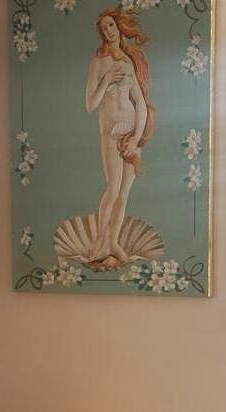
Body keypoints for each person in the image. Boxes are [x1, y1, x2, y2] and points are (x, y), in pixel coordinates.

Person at [84, 8, 156, 269]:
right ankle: (99, 242)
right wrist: (106, 81)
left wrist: (137, 138)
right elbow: (90, 104)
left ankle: (113, 242)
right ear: (101, 33)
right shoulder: (99, 63)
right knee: (113, 188)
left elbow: (140, 103)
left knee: (124, 193)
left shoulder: (128, 61)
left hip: (130, 134)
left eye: (111, 26)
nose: (109, 31)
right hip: (111, 134)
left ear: (118, 27)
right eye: (104, 28)